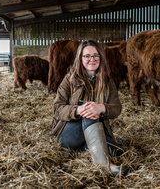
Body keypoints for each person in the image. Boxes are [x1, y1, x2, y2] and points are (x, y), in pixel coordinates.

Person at [51, 40, 129, 176]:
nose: (91, 59)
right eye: (87, 56)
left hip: (94, 131)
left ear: (101, 58)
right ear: (80, 59)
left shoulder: (107, 81)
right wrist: (78, 110)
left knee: (116, 149)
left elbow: (117, 108)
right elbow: (57, 108)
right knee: (88, 108)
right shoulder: (69, 79)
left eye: (95, 55)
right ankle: (103, 164)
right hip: (68, 133)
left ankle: (87, 150)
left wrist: (102, 108)